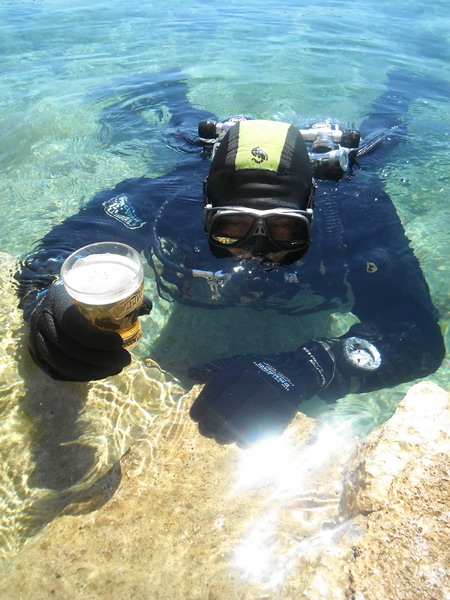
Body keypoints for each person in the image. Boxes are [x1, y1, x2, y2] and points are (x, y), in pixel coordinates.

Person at [15, 71, 445, 446]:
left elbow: (417, 334)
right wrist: (50, 302)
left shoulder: (355, 210)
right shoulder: (173, 199)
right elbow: (79, 239)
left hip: (336, 172)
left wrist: (310, 366)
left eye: (283, 228)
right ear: (205, 210)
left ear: (310, 213)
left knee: (381, 142)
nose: (257, 248)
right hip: (203, 161)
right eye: (234, 226)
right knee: (185, 131)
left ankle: (398, 94)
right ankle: (173, 93)